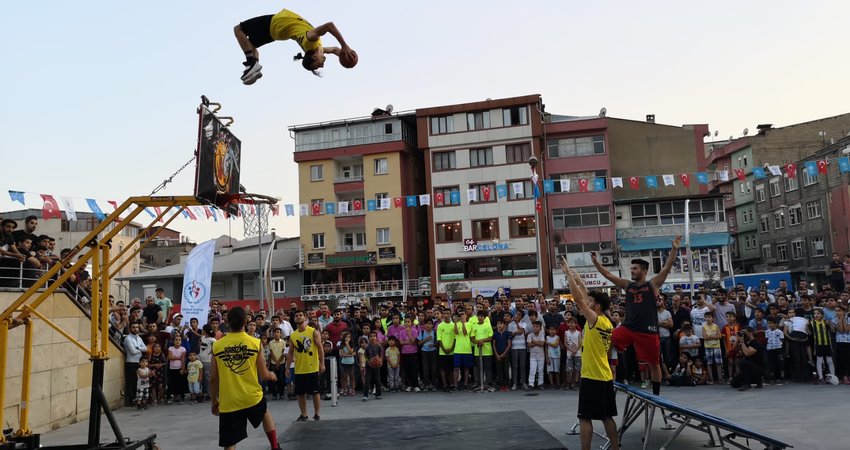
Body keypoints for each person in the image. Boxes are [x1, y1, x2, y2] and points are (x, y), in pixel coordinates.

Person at [593, 236, 682, 395]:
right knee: (609, 341)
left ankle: (656, 395)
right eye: (632, 268)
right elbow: (608, 275)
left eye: (635, 268)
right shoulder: (627, 285)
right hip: (629, 327)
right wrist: (596, 263)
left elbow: (666, 268)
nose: (632, 271)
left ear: (644, 271)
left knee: (654, 364)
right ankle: (605, 375)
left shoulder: (652, 284)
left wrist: (674, 249)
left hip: (647, 331)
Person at [560, 256, 619, 450]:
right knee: (606, 416)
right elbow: (585, 295)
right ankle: (616, 448)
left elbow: (578, 299)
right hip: (604, 375)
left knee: (584, 417)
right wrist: (577, 278)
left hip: (592, 375)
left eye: (591, 302)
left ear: (597, 307)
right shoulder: (607, 322)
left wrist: (569, 275)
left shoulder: (594, 319)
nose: (588, 302)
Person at [210, 307, 280, 450]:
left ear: (227, 322)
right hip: (251, 396)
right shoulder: (255, 343)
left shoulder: (217, 346)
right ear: (245, 322)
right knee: (264, 412)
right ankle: (274, 446)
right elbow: (265, 374)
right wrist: (272, 375)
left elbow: (212, 377)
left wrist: (214, 401)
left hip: (229, 400)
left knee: (229, 440)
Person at [234, 8, 357, 84]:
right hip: (275, 33)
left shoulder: (310, 40)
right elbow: (335, 50)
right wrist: (347, 56)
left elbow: (329, 25)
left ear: (314, 57)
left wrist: (345, 45)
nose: (322, 65)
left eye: (318, 65)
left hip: (275, 23)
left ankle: (251, 63)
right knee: (250, 45)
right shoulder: (319, 49)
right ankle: (254, 66)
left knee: (238, 29)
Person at [286, 310, 325, 422]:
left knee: (315, 392)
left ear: (305, 317)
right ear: (294, 319)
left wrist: (322, 363)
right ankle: (304, 415)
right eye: (296, 316)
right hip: (299, 369)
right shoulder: (293, 335)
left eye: (300, 315)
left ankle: (317, 414)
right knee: (300, 393)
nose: (298, 317)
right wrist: (287, 367)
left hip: (312, 367)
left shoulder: (313, 332)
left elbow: (320, 348)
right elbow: (290, 353)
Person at [123, 323, 147, 407]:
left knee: (137, 381)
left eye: (137, 327)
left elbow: (145, 348)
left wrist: (138, 348)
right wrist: (140, 349)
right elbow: (132, 352)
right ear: (130, 328)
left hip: (138, 363)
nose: (135, 329)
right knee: (131, 382)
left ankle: (137, 399)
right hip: (130, 363)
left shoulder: (139, 338)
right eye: (133, 327)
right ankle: (131, 399)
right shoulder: (128, 338)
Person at [418, 318, 438, 391]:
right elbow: (419, 343)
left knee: (433, 368)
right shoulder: (422, 332)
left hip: (433, 352)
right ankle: (426, 384)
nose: (428, 325)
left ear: (432, 325)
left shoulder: (435, 333)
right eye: (426, 324)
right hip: (424, 352)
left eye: (430, 324)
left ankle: (433, 384)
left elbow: (437, 343)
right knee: (425, 368)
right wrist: (426, 339)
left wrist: (433, 345)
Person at [363, 332, 383, 401]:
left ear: (376, 337)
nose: (372, 338)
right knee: (367, 380)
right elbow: (365, 356)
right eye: (371, 336)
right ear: (368, 338)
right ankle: (365, 395)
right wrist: (369, 362)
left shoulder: (379, 346)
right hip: (369, 366)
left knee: (377, 380)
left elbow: (380, 355)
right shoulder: (367, 346)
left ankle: (378, 394)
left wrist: (380, 361)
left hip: (376, 365)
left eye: (374, 336)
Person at [493, 319, 512, 391]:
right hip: (498, 355)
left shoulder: (507, 333)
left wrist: (504, 354)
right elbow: (494, 345)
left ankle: (507, 385)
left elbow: (509, 344)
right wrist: (497, 355)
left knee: (505, 370)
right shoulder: (495, 334)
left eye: (501, 323)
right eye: (498, 323)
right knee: (499, 370)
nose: (499, 325)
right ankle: (501, 385)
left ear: (504, 325)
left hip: (505, 355)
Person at [564, 318, 583, 390]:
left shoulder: (578, 333)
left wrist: (575, 350)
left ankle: (574, 383)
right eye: (569, 323)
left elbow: (580, 343)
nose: (571, 324)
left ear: (576, 324)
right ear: (567, 324)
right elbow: (565, 343)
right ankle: (568, 383)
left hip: (577, 354)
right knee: (569, 370)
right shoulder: (566, 332)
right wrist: (571, 350)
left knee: (577, 369)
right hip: (569, 354)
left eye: (573, 322)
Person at [546, 325, 561, 389]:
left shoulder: (557, 337)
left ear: (556, 331)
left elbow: (555, 345)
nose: (552, 331)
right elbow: (546, 348)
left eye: (553, 329)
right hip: (549, 356)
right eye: (550, 329)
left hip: (556, 356)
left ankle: (558, 383)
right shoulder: (547, 337)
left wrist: (547, 342)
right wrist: (547, 358)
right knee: (550, 371)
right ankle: (551, 384)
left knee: (557, 371)